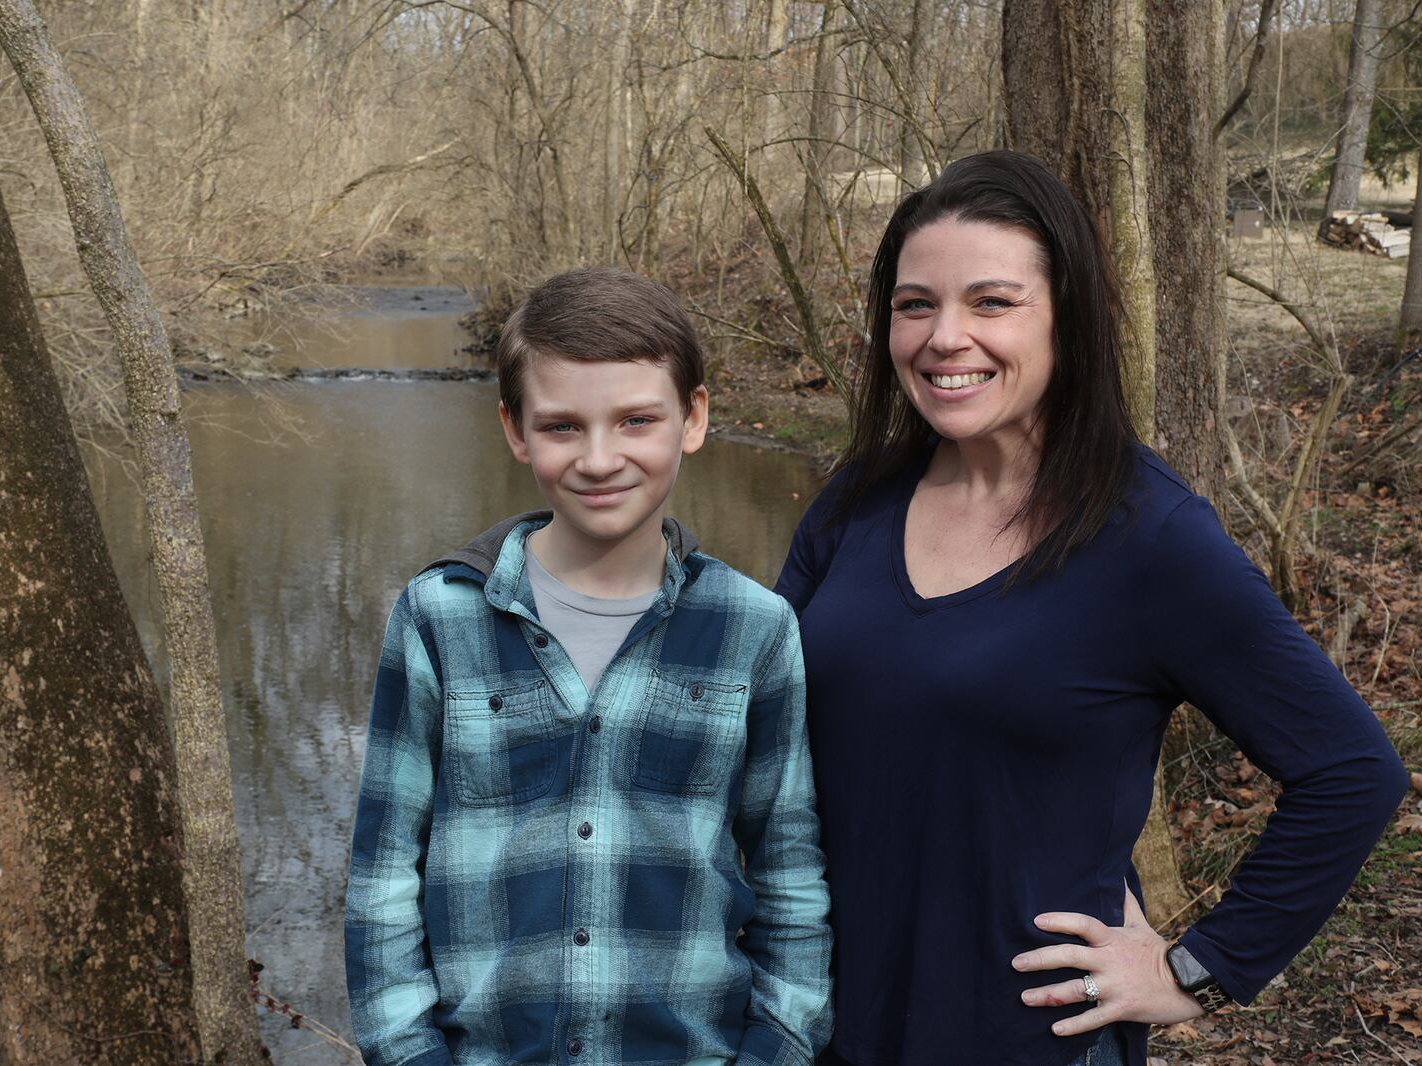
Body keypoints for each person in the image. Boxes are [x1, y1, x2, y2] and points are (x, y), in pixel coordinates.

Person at [775, 150, 1410, 1066]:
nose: (944, 336)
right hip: (827, 1028)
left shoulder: (1148, 537)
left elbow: (1352, 772)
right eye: (916, 304)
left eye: (992, 302)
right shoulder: (857, 500)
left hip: (1024, 1039)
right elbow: (749, 718)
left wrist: (1198, 968)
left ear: (1068, 319)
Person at [345, 266, 833, 1066]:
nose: (600, 459)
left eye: (637, 420)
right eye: (563, 426)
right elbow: (383, 882)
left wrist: (776, 1046)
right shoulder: (438, 617)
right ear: (515, 429)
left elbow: (790, 880)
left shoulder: (755, 629)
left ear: (694, 417)